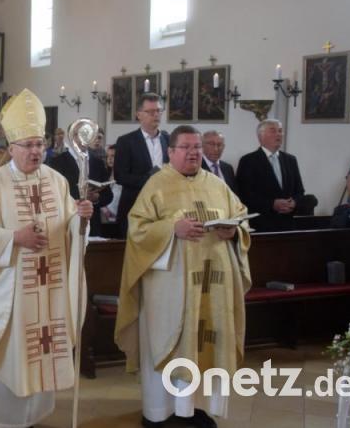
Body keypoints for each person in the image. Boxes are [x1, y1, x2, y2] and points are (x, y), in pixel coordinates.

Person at [0, 88, 93, 428]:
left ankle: (32, 417)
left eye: (40, 144)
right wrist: (14, 238)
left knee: (40, 351)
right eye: (28, 145)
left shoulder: (58, 182)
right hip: (10, 293)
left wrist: (82, 218)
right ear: (12, 148)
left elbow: (67, 226)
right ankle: (1, 420)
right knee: (11, 355)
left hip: (48, 291)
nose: (36, 151)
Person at [114, 125, 252, 428]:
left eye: (198, 147)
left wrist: (233, 231)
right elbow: (136, 229)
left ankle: (196, 408)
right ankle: (160, 412)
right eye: (187, 147)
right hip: (171, 289)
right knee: (171, 342)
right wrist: (172, 229)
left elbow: (241, 215)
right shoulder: (157, 185)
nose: (194, 153)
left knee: (206, 343)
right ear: (171, 151)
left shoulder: (217, 184)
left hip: (212, 286)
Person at [114, 93, 170, 237]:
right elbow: (120, 176)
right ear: (139, 114)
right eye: (150, 112)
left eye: (159, 111)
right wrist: (149, 179)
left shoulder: (168, 139)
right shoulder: (126, 141)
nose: (156, 115)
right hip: (135, 204)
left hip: (164, 206)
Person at [236, 119, 305, 232]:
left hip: (287, 225)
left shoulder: (290, 160)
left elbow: (300, 191)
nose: (278, 134)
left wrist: (294, 203)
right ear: (260, 136)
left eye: (280, 131)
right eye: (273, 131)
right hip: (262, 225)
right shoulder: (248, 161)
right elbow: (244, 195)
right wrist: (272, 204)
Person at [46, 136, 113, 234]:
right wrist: (80, 197)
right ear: (71, 137)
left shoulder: (98, 162)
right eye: (79, 135)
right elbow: (53, 195)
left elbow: (108, 196)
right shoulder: (57, 162)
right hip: (68, 221)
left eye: (86, 134)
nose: (83, 138)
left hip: (93, 223)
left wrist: (96, 197)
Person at [201, 130, 238, 195]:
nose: (216, 149)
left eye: (219, 145)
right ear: (202, 146)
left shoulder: (228, 168)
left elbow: (234, 193)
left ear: (223, 147)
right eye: (211, 144)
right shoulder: (196, 167)